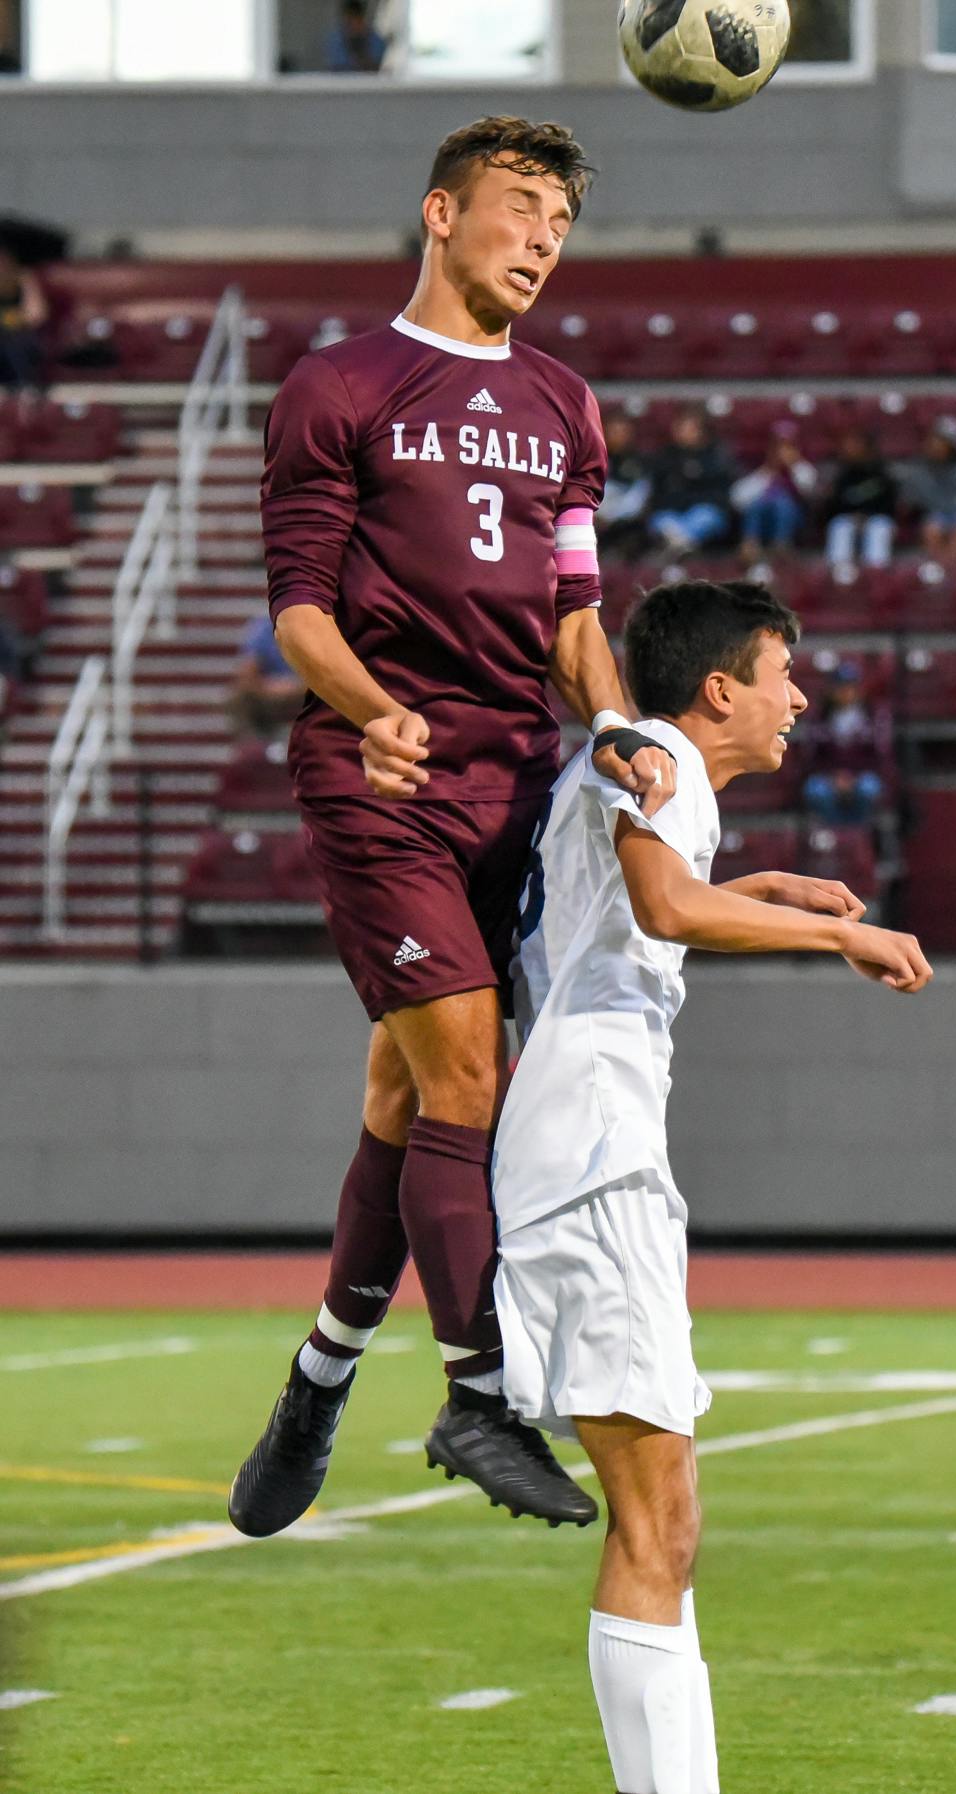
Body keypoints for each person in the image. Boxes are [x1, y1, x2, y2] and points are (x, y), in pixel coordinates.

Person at [228, 116, 678, 1541]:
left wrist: (613, 727)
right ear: (440, 213)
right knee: (468, 1072)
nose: (542, 238)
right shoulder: (338, 384)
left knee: (404, 1094)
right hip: (381, 780)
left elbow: (572, 614)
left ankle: (317, 1379)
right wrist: (370, 709)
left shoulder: (565, 405)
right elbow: (299, 609)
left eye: (560, 220)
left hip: (514, 783)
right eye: (520, 206)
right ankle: (479, 1392)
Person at [492, 579, 932, 1794]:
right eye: (783, 675)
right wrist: (837, 934)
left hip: (579, 1150)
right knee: (658, 1523)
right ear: (719, 688)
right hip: (593, 1156)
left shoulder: (634, 765)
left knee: (666, 1521)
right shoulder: (663, 762)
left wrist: (766, 890)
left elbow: (616, 926)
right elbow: (660, 905)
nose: (801, 699)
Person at [801, 659, 889, 826]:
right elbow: (812, 757)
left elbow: (880, 757)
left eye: (850, 687)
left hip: (863, 775)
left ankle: (860, 833)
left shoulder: (874, 716)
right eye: (840, 687)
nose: (845, 692)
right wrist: (834, 777)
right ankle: (835, 832)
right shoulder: (819, 717)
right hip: (828, 777)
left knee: (868, 788)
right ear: (831, 691)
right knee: (816, 790)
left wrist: (853, 777)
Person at [646, 407, 735, 555]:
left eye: (690, 429)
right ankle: (683, 546)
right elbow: (656, 494)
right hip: (672, 514)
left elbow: (720, 496)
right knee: (661, 521)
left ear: (701, 432)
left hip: (703, 513)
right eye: (681, 428)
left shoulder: (715, 457)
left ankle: (678, 547)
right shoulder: (665, 456)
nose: (683, 433)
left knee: (705, 517)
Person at [732, 421, 817, 563]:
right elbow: (738, 500)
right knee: (757, 504)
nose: (782, 452)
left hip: (795, 522)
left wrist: (792, 466)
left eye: (788, 447)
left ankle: (781, 545)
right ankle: (750, 545)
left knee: (782, 503)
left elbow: (808, 489)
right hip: (763, 521)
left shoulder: (803, 469)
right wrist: (768, 472)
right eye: (778, 447)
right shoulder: (763, 471)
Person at [904, 416, 956, 567]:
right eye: (935, 441)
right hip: (936, 512)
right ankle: (938, 570)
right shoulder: (920, 470)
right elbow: (911, 500)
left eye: (942, 443)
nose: (936, 446)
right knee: (931, 530)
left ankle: (954, 570)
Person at [822, 426, 899, 569]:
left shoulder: (882, 472)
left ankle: (876, 572)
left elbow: (889, 503)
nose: (851, 450)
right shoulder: (842, 474)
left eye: (856, 446)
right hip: (848, 518)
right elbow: (834, 506)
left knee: (879, 527)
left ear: (867, 449)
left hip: (876, 517)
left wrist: (866, 516)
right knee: (839, 526)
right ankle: (839, 572)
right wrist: (853, 516)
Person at [227, 613, 303, 740]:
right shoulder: (263, 628)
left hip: (308, 689)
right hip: (268, 690)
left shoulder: (318, 626)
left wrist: (297, 687)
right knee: (240, 697)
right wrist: (267, 687)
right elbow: (247, 673)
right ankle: (254, 742)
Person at [597, 411, 652, 560]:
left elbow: (641, 493)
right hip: (598, 515)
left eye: (623, 431)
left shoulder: (639, 460)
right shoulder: (594, 458)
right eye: (614, 431)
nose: (619, 436)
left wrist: (618, 514)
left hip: (627, 518)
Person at [0, 248, 49, 394]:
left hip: (22, 337)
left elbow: (36, 315)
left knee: (14, 342)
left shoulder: (24, 279)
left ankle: (24, 388)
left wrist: (14, 319)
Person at [325, 0, 390, 73]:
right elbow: (336, 68)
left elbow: (377, 68)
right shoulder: (336, 40)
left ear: (361, 19)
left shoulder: (376, 41)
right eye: (347, 20)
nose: (349, 25)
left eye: (352, 20)